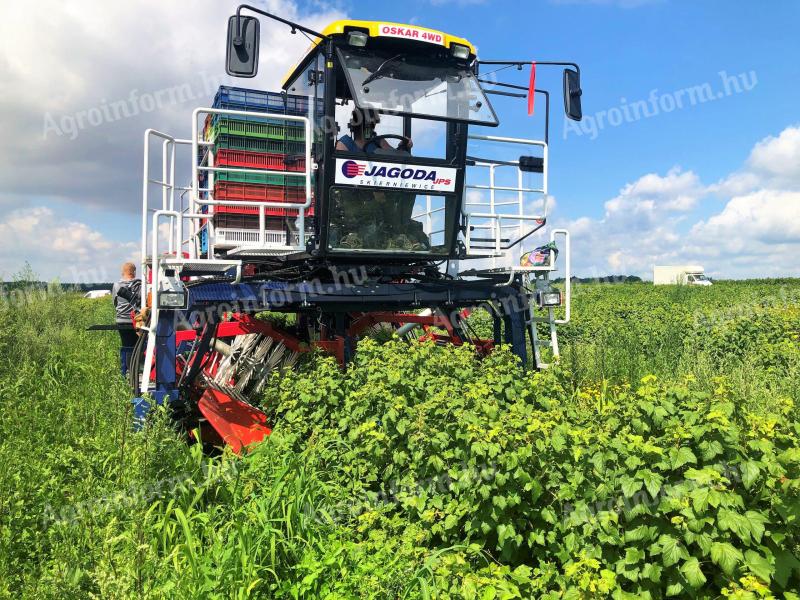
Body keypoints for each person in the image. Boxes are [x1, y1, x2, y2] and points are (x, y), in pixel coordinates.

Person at [336, 108, 413, 153]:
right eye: (368, 124)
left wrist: (402, 146)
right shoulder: (345, 143)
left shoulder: (379, 141)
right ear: (357, 124)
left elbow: (393, 156)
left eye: (373, 124)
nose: (371, 127)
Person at [111, 262, 142, 377]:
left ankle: (124, 372)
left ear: (122, 272)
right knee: (136, 346)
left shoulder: (116, 285)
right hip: (137, 321)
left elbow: (115, 302)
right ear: (134, 272)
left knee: (125, 345)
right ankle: (135, 370)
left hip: (121, 320)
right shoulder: (140, 285)